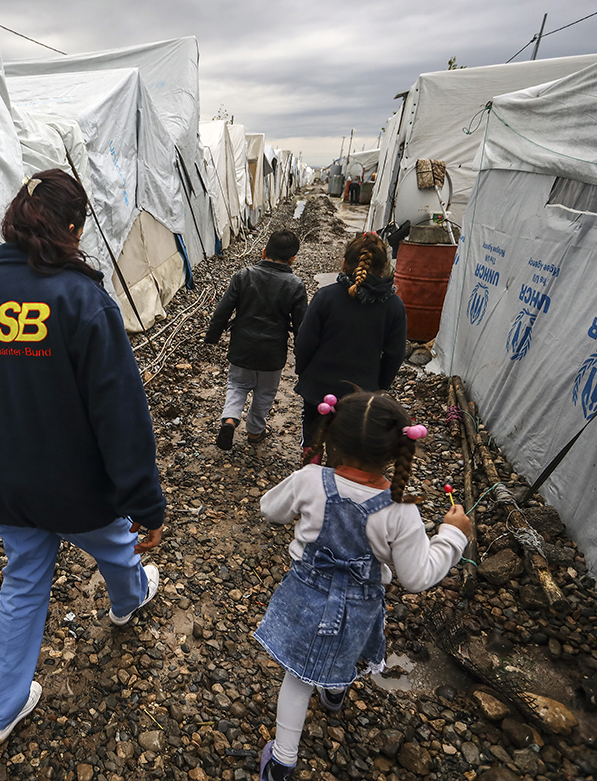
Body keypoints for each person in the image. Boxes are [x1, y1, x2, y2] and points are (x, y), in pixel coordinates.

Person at [0, 169, 165, 747]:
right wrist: (145, 500)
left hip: (6, 481)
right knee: (119, 544)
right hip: (76, 485)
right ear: (72, 228)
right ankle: (129, 602)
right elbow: (119, 413)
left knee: (24, 582)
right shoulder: (82, 300)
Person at [254, 391, 470, 780]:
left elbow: (270, 510)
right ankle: (334, 692)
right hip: (359, 604)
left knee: (298, 677)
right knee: (344, 647)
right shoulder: (400, 509)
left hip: (304, 593)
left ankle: (283, 760)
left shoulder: (309, 480)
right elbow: (417, 576)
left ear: (331, 433)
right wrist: (452, 537)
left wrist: (309, 475)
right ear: (395, 451)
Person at [294, 232, 406, 452]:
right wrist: (379, 384)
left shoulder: (326, 297)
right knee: (346, 443)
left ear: (344, 263)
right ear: (384, 268)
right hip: (361, 393)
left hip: (318, 386)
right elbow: (395, 354)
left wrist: (303, 371)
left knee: (314, 436)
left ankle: (311, 472)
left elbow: (305, 340)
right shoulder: (394, 306)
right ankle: (339, 476)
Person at [203, 230, 308, 449]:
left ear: (263, 252)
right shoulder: (295, 285)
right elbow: (301, 325)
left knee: (237, 385)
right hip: (273, 353)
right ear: (292, 259)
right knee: (265, 393)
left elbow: (223, 310)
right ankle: (255, 432)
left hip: (242, 346)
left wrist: (212, 336)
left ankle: (230, 420)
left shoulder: (243, 275)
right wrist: (303, 354)